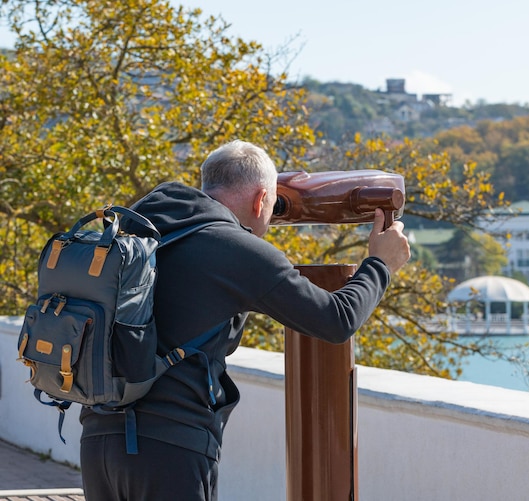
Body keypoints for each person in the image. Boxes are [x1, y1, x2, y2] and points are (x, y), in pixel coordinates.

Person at [79, 139, 410, 500]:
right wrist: (381, 264)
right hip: (169, 450)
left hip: (99, 438)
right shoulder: (235, 250)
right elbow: (335, 320)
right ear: (260, 200)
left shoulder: (140, 229)